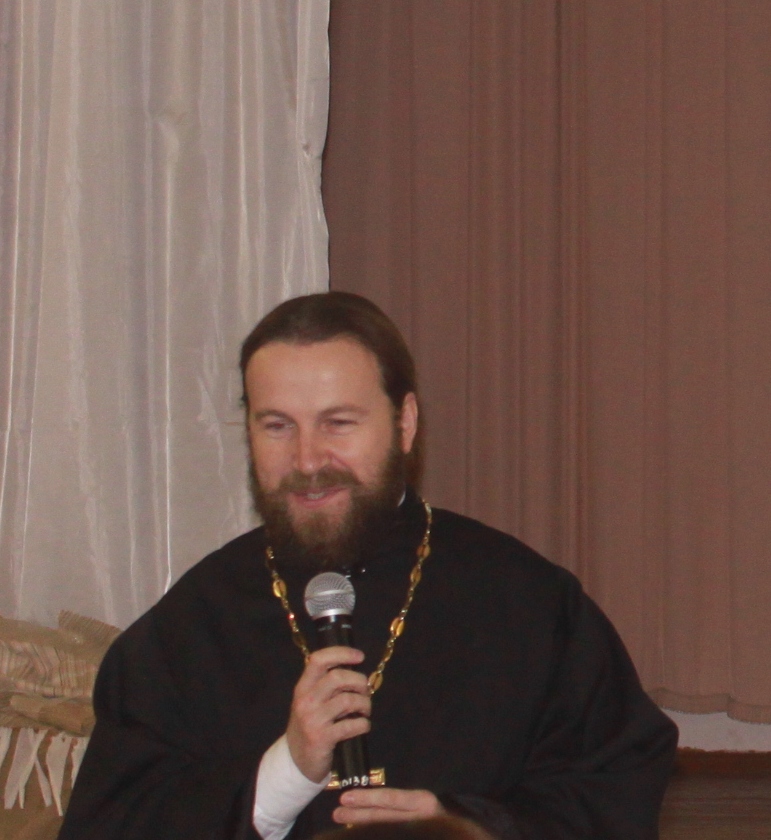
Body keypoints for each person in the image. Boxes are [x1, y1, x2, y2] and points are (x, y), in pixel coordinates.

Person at [58, 292, 677, 840]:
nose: (307, 460)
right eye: (277, 426)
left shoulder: (528, 602)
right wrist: (283, 776)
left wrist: (464, 827)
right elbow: (112, 821)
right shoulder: (190, 627)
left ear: (405, 423)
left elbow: (613, 793)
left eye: (338, 424)